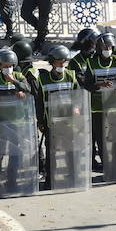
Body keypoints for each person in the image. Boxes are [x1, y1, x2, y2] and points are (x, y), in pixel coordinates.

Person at [78, 30, 116, 169]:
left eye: (110, 47)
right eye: (105, 48)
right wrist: (98, 85)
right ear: (99, 49)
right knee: (101, 138)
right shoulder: (91, 63)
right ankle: (106, 164)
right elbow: (86, 85)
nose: (108, 50)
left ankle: (115, 160)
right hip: (98, 106)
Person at [0, 49, 35, 197]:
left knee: (15, 154)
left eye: (10, 65)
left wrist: (14, 81)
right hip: (1, 122)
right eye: (4, 65)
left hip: (18, 122)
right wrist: (15, 92)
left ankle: (12, 182)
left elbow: (28, 89)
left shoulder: (20, 76)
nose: (7, 68)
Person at [36, 44, 82, 189]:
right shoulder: (43, 79)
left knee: (70, 150)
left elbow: (78, 96)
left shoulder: (71, 76)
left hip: (69, 121)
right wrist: (40, 121)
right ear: (52, 62)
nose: (62, 64)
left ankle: (73, 176)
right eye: (59, 62)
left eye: (64, 61)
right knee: (52, 152)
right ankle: (50, 180)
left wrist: (76, 107)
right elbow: (39, 103)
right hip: (51, 122)